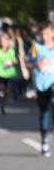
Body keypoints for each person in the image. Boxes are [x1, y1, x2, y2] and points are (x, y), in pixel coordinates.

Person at [27, 22, 54, 156]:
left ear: (52, 34)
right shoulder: (35, 47)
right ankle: (44, 142)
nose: (44, 37)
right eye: (42, 34)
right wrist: (36, 64)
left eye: (47, 34)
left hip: (52, 85)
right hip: (41, 86)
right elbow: (28, 63)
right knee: (44, 113)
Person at [0, 31, 19, 115]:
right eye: (2, 41)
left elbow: (15, 60)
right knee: (1, 88)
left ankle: (2, 105)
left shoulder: (11, 51)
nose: (3, 43)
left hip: (8, 73)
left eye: (5, 41)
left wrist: (12, 61)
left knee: (6, 90)